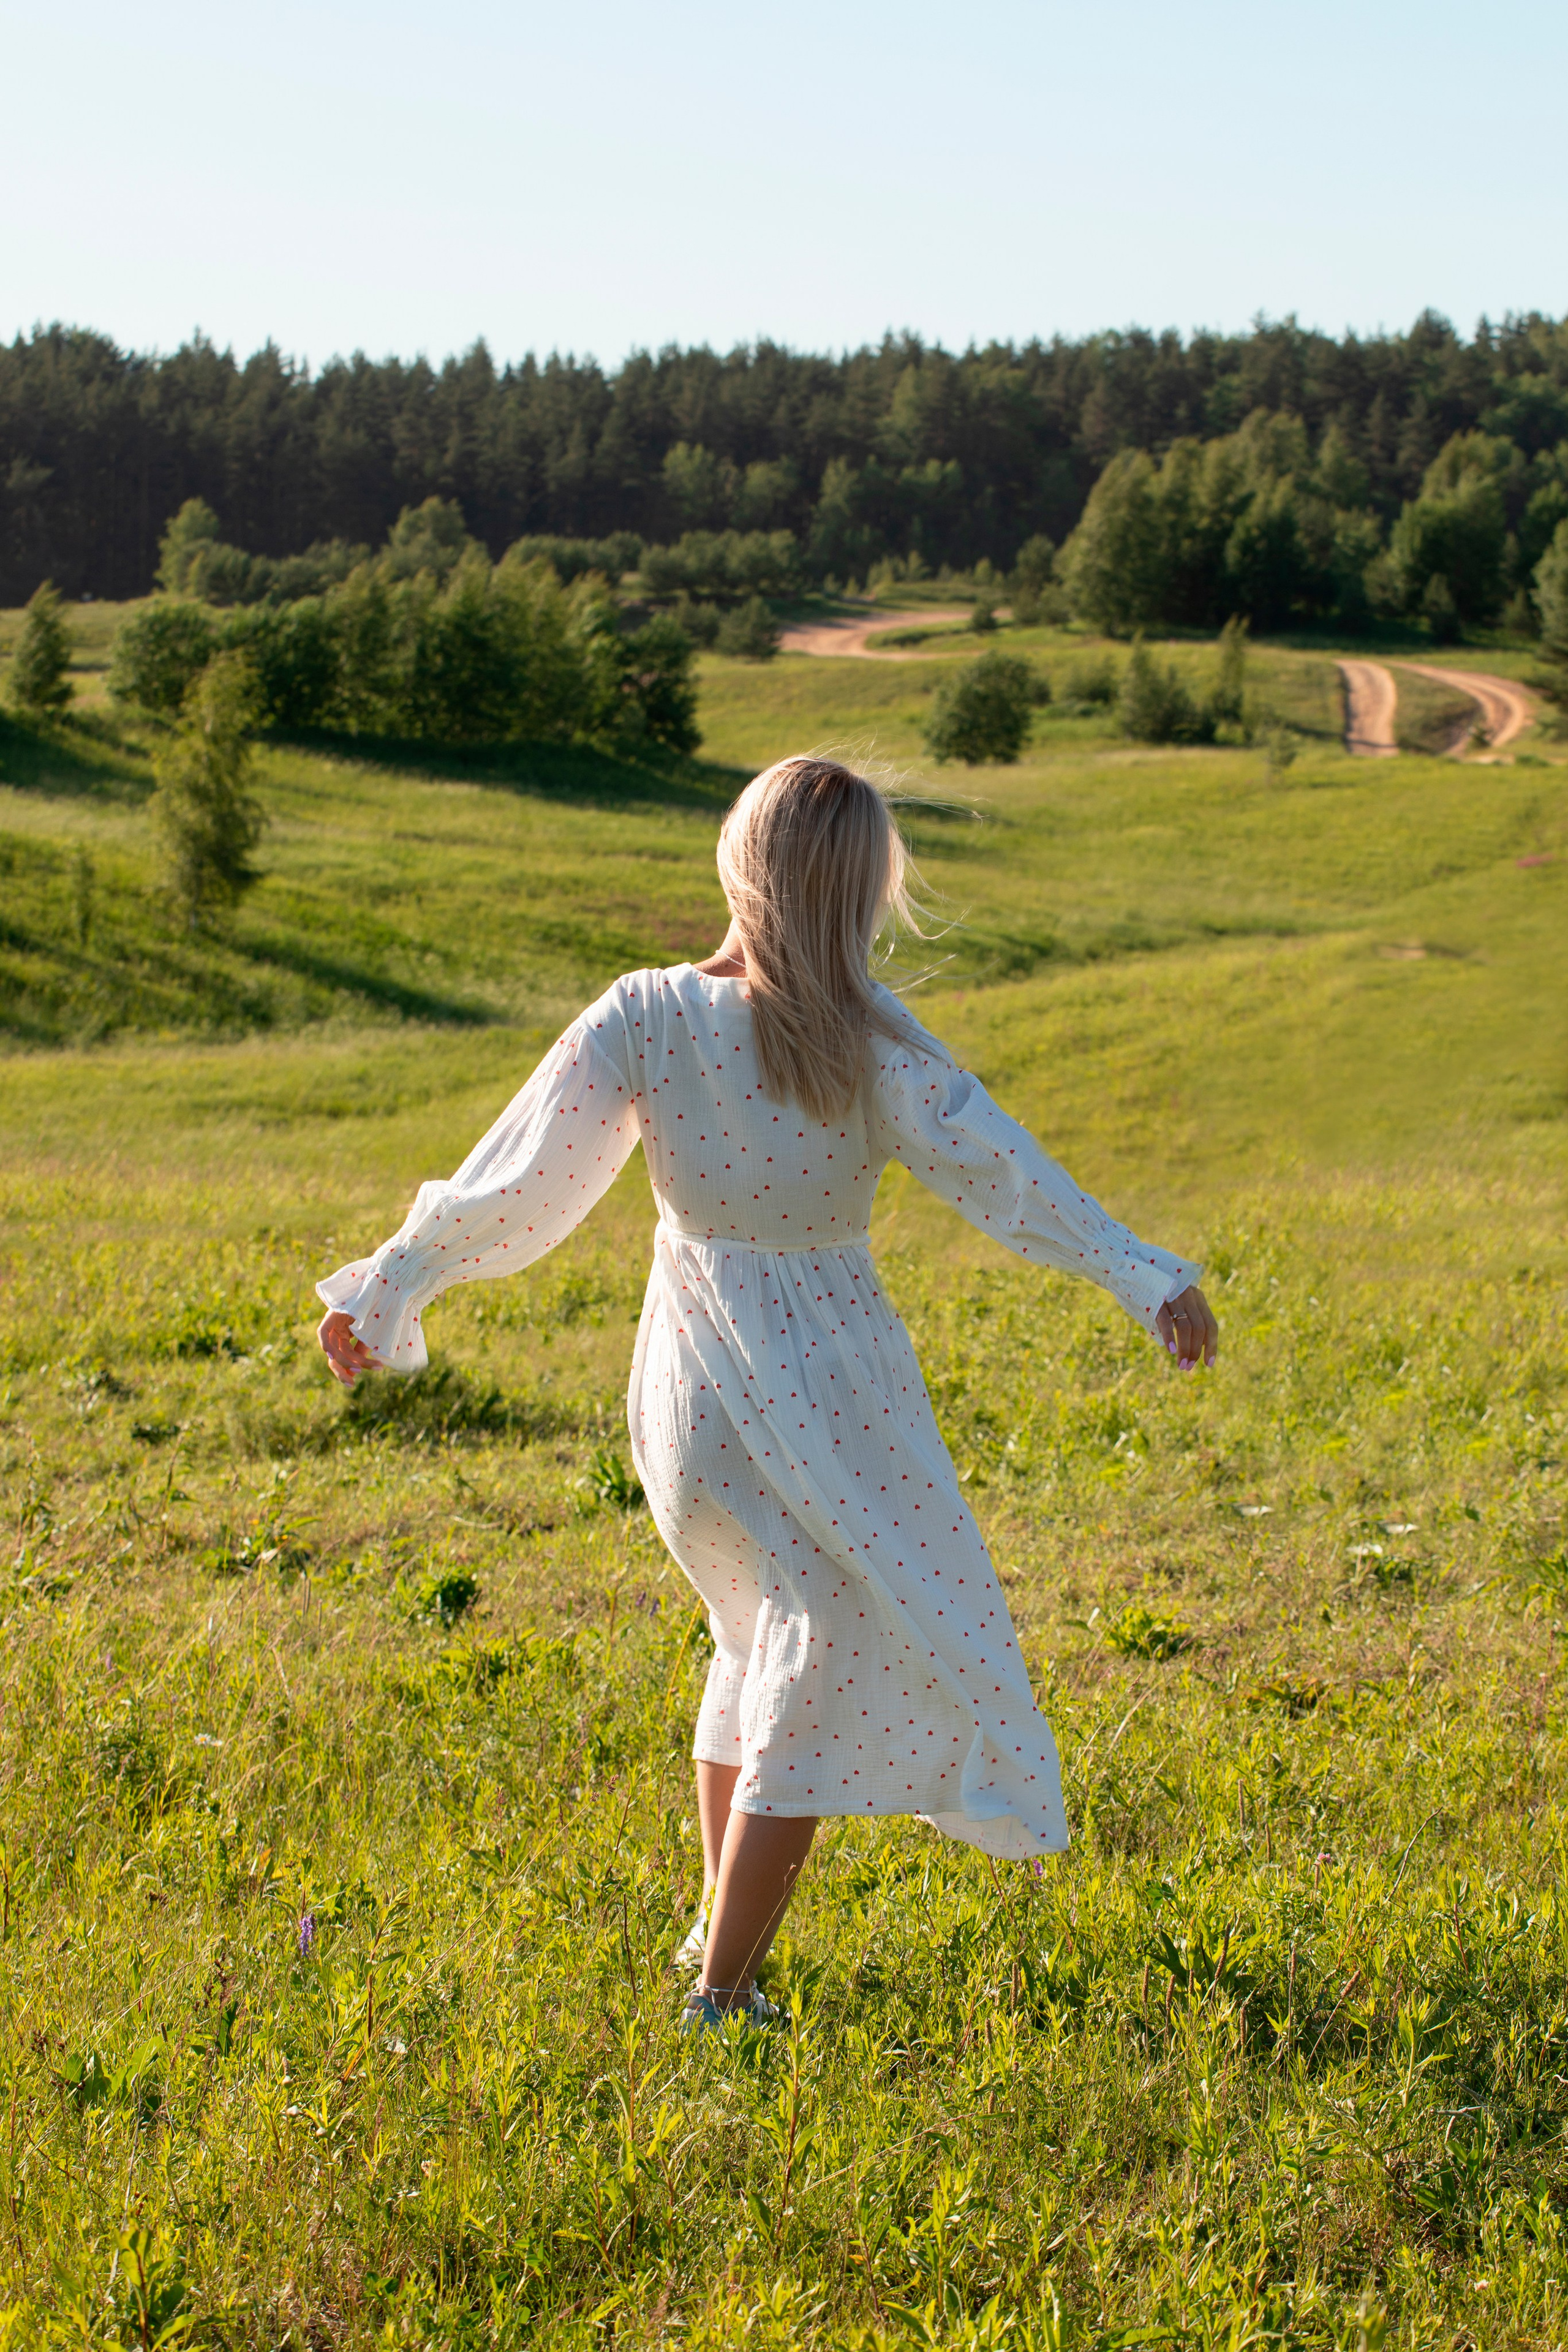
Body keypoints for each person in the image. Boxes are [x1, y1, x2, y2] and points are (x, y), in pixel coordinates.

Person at [317, 756, 1218, 2035]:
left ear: (735, 863)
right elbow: (1002, 1175)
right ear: (861, 895)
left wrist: (389, 1284)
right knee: (818, 1647)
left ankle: (714, 1935)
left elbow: (518, 1181)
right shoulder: (870, 1044)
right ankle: (721, 1992)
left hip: (684, 1390)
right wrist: (1143, 1275)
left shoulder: (644, 1015)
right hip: (822, 1387)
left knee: (758, 1640)